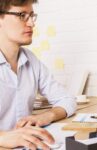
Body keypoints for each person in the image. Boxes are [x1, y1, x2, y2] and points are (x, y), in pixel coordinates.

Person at [0, 0, 76, 149]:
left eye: (32, 16)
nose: (31, 24)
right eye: (22, 15)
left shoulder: (31, 60)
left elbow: (67, 99)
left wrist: (45, 116)